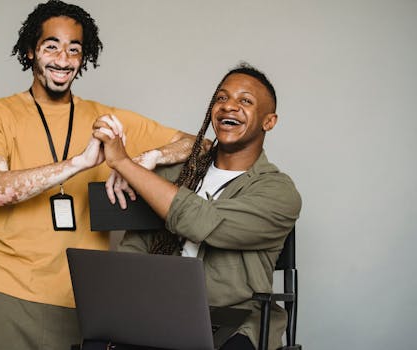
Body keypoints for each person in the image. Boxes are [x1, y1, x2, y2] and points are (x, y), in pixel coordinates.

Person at [0, 1, 198, 349]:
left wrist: (144, 160)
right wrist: (79, 163)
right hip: (3, 292)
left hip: (82, 301)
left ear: (84, 58)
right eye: (51, 46)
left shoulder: (106, 118)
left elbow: (200, 144)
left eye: (74, 49)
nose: (63, 59)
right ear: (30, 52)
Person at [93, 62, 302, 350]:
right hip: (161, 311)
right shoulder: (176, 176)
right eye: (221, 98)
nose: (229, 106)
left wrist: (124, 163)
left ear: (269, 121)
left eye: (245, 101)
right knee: (97, 342)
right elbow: (136, 248)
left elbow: (203, 221)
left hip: (234, 320)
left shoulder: (278, 192)